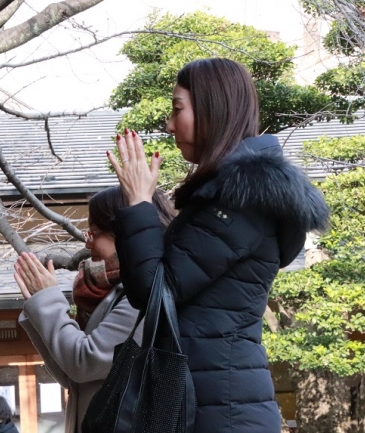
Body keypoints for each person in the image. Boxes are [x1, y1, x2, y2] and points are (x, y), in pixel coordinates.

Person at [107, 58, 330, 433]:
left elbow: (155, 289)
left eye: (178, 109)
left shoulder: (239, 201)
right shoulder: (227, 197)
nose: (169, 124)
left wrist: (140, 204)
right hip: (214, 401)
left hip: (221, 411)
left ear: (213, 107)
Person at [13, 185, 174, 433]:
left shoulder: (142, 294)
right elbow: (72, 376)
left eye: (94, 233)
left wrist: (47, 302)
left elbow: (84, 362)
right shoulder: (109, 292)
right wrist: (39, 307)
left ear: (124, 233)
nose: (88, 244)